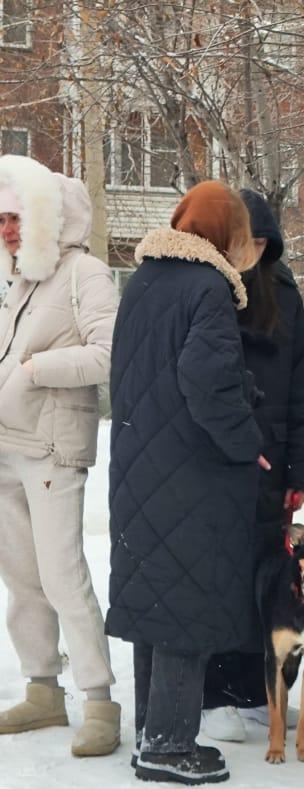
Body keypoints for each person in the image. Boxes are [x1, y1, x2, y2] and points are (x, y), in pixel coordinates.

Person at [106, 180, 263, 785]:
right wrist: (246, 441)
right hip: (192, 473)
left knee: (155, 600)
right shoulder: (208, 286)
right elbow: (204, 381)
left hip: (142, 465)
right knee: (185, 605)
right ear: (224, 234)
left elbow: (151, 371)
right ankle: (169, 747)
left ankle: (153, 731)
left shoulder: (144, 281)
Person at [0, 154, 120, 757]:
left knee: (61, 574)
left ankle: (98, 698)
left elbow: (110, 352)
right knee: (22, 579)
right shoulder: (17, 281)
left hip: (52, 448)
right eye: (2, 219)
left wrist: (34, 369)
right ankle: (43, 688)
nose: (8, 230)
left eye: (19, 217)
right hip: (5, 451)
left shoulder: (84, 274)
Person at [199, 189, 304, 742]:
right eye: (241, 241)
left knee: (263, 579)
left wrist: (302, 471)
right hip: (214, 460)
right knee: (216, 577)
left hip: (270, 465)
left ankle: (256, 692)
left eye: (259, 243)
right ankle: (213, 695)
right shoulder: (202, 289)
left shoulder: (285, 295)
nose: (248, 252)